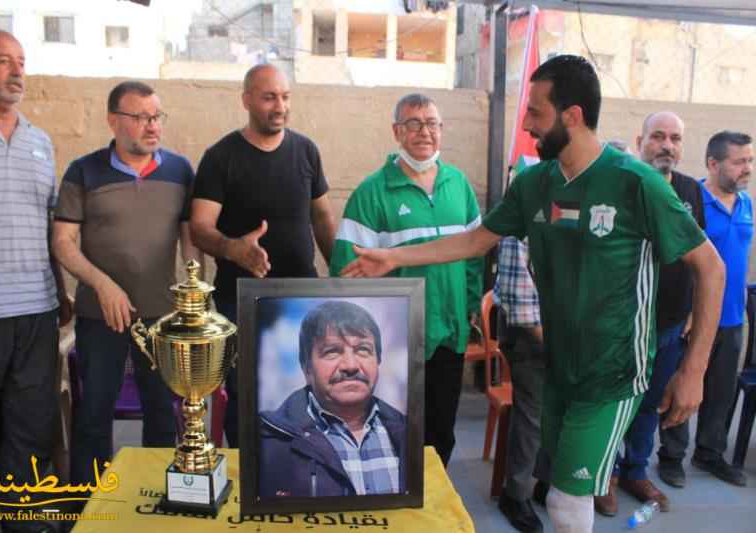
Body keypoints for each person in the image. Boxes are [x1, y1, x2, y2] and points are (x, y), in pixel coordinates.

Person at [340, 55, 725, 533]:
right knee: (560, 487)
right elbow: (475, 240)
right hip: (557, 363)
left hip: (615, 369)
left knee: (566, 497)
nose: (526, 124)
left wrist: (694, 370)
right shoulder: (534, 184)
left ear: (573, 115)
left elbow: (711, 266)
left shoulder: (634, 183)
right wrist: (395, 258)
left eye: (536, 113)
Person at [52, 81, 201, 493]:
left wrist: (195, 293)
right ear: (113, 121)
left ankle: (154, 499)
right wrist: (103, 285)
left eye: (156, 117)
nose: (152, 126)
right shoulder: (84, 171)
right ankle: (91, 505)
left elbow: (190, 241)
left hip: (162, 318)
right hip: (101, 316)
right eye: (140, 117)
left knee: (162, 412)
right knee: (95, 414)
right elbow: (62, 243)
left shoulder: (180, 171)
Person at [0, 30, 71, 533]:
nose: (16, 71)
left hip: (36, 309)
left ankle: (22, 516)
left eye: (21, 61)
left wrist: (62, 291)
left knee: (31, 422)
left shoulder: (40, 141)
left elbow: (51, 228)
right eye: (4, 61)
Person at [329, 93, 483, 467]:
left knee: (442, 432)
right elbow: (346, 271)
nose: (423, 132)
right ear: (397, 132)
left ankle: (432, 504)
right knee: (395, 433)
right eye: (413, 124)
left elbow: (474, 256)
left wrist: (470, 309)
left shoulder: (458, 185)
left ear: (441, 131)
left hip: (449, 333)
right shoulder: (372, 192)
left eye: (431, 123)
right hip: (395, 342)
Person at [190, 64, 337, 448]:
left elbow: (322, 217)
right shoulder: (220, 157)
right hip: (239, 301)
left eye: (285, 96)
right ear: (247, 100)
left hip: (301, 297)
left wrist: (339, 273)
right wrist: (233, 249)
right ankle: (245, 478)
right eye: (270, 96)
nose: (280, 105)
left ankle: (299, 471)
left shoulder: (306, 151)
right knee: (245, 397)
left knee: (308, 392)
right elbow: (200, 227)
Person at [595, 111, 706, 516]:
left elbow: (701, 258)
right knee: (615, 404)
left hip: (671, 325)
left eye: (675, 138)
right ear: (639, 140)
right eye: (658, 137)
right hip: (624, 325)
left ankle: (636, 471)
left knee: (650, 404)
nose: (667, 145)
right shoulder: (620, 187)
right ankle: (604, 476)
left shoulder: (692, 191)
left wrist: (693, 312)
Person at [658, 130, 753, 488]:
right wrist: (690, 311)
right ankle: (671, 457)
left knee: (722, 391)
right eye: (739, 161)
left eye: (750, 160)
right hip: (695, 317)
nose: (747, 168)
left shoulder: (746, 204)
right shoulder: (693, 200)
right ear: (713, 164)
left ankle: (710, 453)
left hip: (731, 319)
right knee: (683, 382)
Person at [259, 301, 406, 497]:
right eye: (332, 352)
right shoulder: (269, 442)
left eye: (363, 349)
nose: (350, 365)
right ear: (307, 368)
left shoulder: (405, 432)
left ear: (378, 361)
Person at [493, 236, 547, 532]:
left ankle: (545, 482)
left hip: (563, 329)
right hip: (529, 330)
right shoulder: (527, 206)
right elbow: (521, 301)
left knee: (560, 411)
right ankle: (515, 495)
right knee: (532, 415)